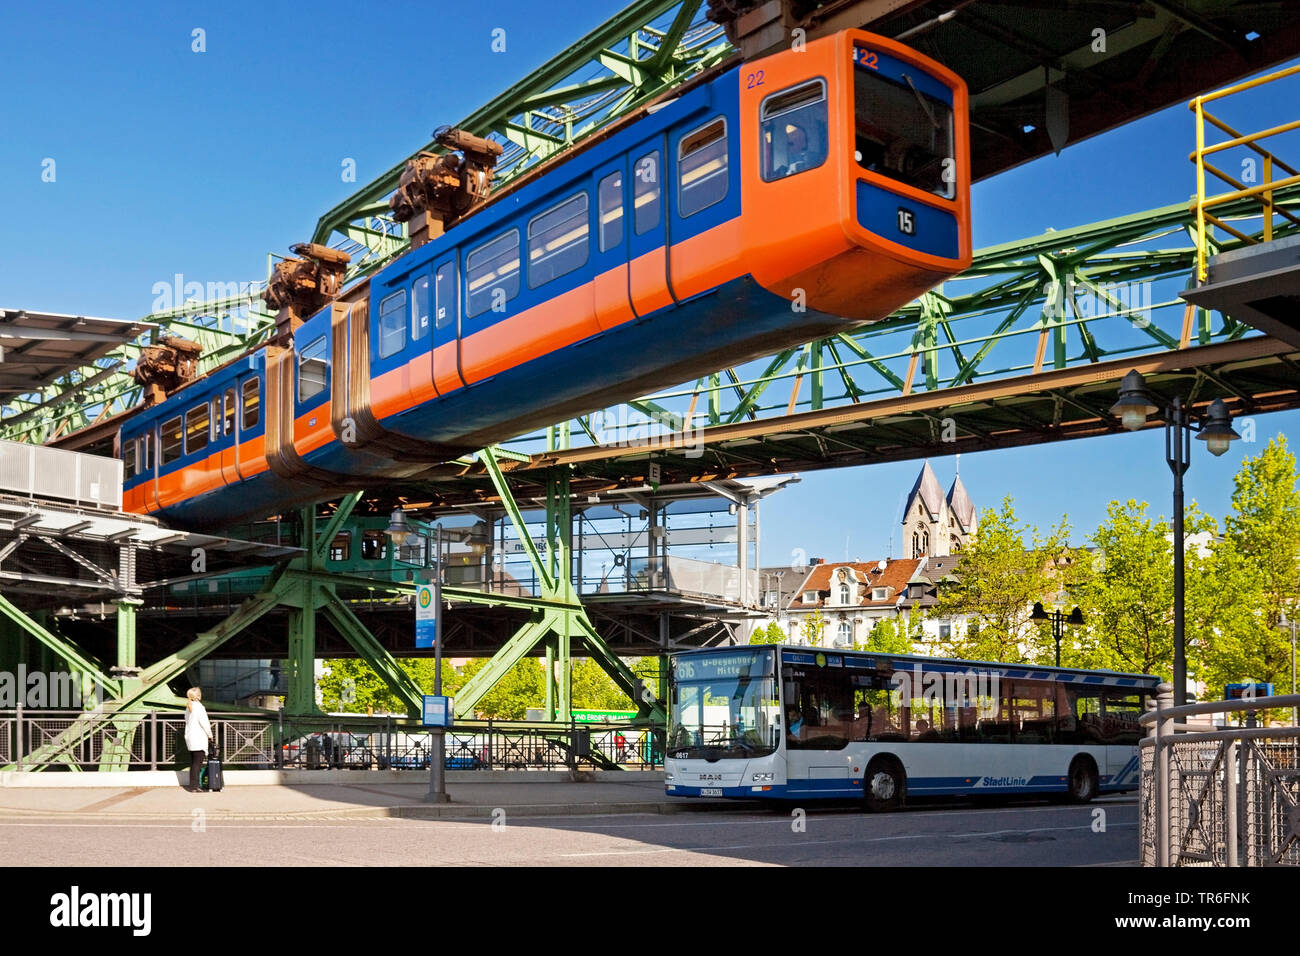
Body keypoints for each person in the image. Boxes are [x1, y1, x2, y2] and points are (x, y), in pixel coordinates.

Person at [183, 687, 212, 792]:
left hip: (190, 737)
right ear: (198, 696)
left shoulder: (189, 707)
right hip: (198, 738)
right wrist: (210, 735)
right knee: (197, 763)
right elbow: (204, 722)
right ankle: (195, 786)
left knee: (193, 762)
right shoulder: (199, 707)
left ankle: (193, 785)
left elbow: (186, 720)